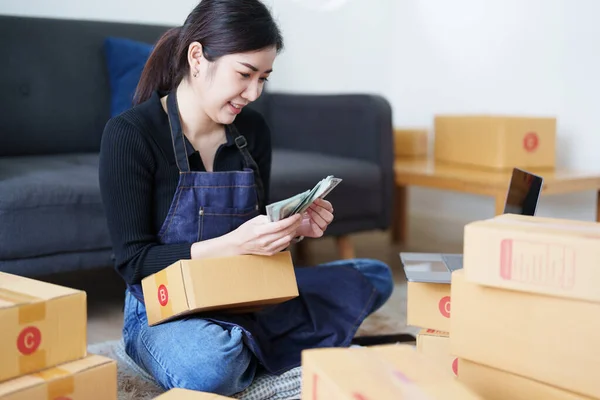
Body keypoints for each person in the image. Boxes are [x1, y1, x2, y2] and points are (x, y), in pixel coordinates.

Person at [98, 0, 394, 396]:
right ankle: (269, 345)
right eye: (244, 74)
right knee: (211, 364)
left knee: (374, 275)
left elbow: (253, 238)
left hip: (242, 293)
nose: (253, 92)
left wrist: (291, 230)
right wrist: (230, 245)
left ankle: (255, 344)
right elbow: (134, 262)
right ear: (198, 57)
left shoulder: (252, 131)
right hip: (163, 307)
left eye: (264, 78)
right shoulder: (130, 135)